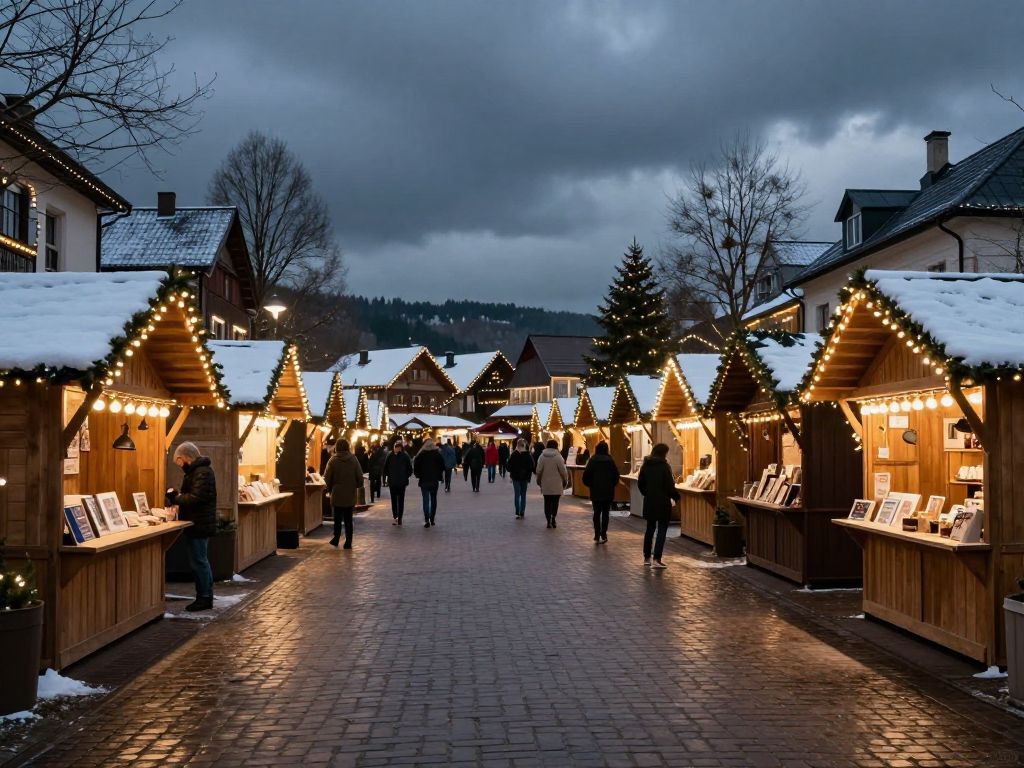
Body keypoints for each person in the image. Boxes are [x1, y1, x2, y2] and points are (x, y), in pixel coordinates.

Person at [170, 442, 217, 612]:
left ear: (184, 458)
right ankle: (205, 596)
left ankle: (204, 598)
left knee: (199, 561)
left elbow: (196, 498)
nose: (179, 466)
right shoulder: (198, 472)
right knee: (200, 561)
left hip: (199, 523)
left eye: (178, 462)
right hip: (198, 522)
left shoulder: (201, 472)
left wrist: (176, 497)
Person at [637, 443, 680, 568]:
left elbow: (641, 483)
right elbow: (669, 486)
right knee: (661, 530)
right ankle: (657, 558)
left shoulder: (646, 465)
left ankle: (646, 558)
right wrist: (676, 497)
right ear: (664, 453)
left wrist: (647, 493)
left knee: (649, 529)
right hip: (663, 503)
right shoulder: (664, 467)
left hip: (650, 501)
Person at [323, 439, 364, 549]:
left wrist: (330, 488)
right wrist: (356, 485)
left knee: (337, 518)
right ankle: (348, 541)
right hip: (350, 493)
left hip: (336, 493)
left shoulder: (332, 460)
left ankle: (336, 538)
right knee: (348, 519)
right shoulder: (353, 459)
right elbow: (360, 477)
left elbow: (327, 478)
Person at [582, 441, 620, 544]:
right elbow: (616, 475)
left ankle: (596, 533)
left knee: (596, 513)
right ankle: (604, 533)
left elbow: (586, 476)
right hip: (608, 491)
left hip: (596, 491)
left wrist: (591, 485)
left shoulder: (592, 460)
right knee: (606, 513)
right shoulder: (610, 460)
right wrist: (612, 485)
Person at [535, 439, 569, 529]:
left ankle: (548, 520)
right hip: (557, 484)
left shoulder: (542, 457)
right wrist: (566, 480)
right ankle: (553, 517)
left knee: (547, 502)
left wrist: (538, 480)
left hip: (545, 484)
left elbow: (538, 470)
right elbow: (563, 471)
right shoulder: (558, 457)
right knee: (555, 502)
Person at [413, 438, 446, 527]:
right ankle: (432, 518)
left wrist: (418, 475)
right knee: (433, 499)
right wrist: (439, 475)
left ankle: (426, 519)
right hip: (434, 480)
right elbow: (443, 466)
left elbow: (416, 465)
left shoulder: (421, 454)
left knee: (425, 500)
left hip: (424, 480)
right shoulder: (437, 454)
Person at [383, 440, 413, 525]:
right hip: (393, 482)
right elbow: (385, 468)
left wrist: (405, 476)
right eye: (396, 448)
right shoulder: (390, 456)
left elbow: (410, 469)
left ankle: (399, 517)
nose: (396, 449)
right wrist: (386, 479)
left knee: (400, 500)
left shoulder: (404, 456)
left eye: (398, 448)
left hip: (401, 483)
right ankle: (396, 517)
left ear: (400, 448)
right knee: (394, 500)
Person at [507, 438, 535, 519]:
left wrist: (513, 470)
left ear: (517, 445)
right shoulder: (527, 455)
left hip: (515, 477)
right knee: (523, 495)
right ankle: (522, 511)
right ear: (524, 445)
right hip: (525, 478)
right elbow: (532, 466)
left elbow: (508, 467)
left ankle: (517, 512)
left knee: (517, 495)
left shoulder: (514, 454)